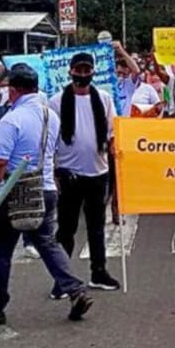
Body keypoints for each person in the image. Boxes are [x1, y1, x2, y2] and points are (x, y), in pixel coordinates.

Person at [0, 64, 92, 325]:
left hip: (15, 192)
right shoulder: (51, 117)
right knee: (47, 243)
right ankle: (75, 289)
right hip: (45, 188)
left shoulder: (11, 120)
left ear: (13, 90)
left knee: (0, 251)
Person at [51, 52, 121, 292]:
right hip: (69, 174)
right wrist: (53, 171)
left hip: (98, 172)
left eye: (86, 70)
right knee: (66, 230)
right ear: (70, 72)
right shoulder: (56, 102)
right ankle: (62, 280)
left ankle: (99, 273)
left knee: (96, 227)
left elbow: (112, 132)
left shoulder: (104, 99)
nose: (82, 74)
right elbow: (50, 139)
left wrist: (115, 147)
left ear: (92, 72)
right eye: (78, 70)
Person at [114, 42, 142, 116]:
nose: (121, 76)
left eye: (124, 74)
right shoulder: (110, 84)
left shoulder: (129, 84)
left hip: (125, 121)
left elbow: (136, 70)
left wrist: (121, 50)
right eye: (119, 73)